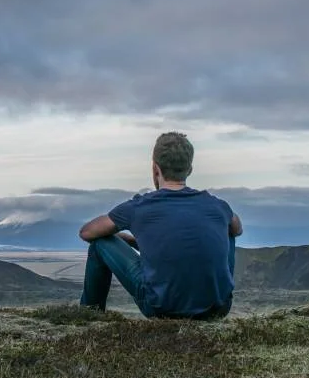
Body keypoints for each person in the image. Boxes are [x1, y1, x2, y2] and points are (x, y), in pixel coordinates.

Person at [77, 132, 243, 320]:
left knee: (99, 244)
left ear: (155, 168)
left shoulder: (139, 207)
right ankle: (214, 295)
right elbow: (237, 229)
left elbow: (87, 232)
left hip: (161, 308)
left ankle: (89, 316)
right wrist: (136, 241)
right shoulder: (218, 206)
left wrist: (119, 237)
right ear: (189, 169)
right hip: (218, 308)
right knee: (228, 230)